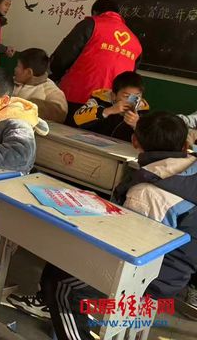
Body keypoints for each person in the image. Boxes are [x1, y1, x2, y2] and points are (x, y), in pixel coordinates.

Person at [40, 112, 197, 340]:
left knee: (58, 282)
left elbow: (128, 248)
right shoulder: (189, 171)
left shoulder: (147, 193)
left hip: (153, 278)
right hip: (181, 268)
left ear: (134, 141)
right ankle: (67, 323)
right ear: (185, 145)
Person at [50, 0, 142, 123]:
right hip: (112, 108)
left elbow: (62, 57)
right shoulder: (136, 42)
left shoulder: (91, 24)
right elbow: (131, 79)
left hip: (76, 98)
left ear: (95, 12)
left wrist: (54, 77)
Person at [73, 71, 149, 141]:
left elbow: (148, 140)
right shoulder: (100, 99)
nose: (131, 101)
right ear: (113, 95)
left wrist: (136, 125)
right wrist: (109, 110)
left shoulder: (142, 110)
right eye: (126, 96)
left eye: (137, 96)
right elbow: (77, 119)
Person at [13, 48, 67, 123]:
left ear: (29, 72)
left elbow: (61, 112)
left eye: (18, 66)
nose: (15, 69)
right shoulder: (11, 81)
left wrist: (28, 105)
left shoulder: (50, 89)